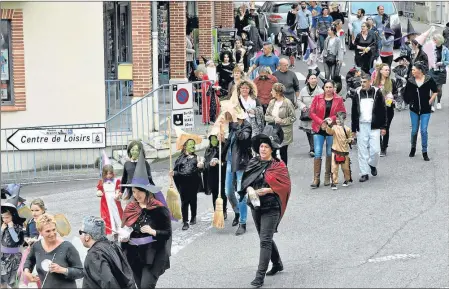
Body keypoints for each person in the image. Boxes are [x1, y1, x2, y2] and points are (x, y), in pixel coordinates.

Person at [238, 125, 291, 288]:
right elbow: (246, 182)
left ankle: (259, 277)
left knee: (265, 241)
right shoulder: (253, 162)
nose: (262, 149)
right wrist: (251, 189)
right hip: (256, 205)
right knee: (263, 237)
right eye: (261, 146)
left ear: (271, 149)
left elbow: (285, 185)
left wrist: (268, 189)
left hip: (271, 207)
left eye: (266, 146)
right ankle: (277, 263)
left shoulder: (278, 165)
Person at [120, 149, 172, 289]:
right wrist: (123, 236)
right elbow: (124, 229)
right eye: (134, 192)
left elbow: (167, 233)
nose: (136, 195)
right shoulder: (130, 207)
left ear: (146, 190)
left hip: (153, 255)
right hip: (134, 256)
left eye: (139, 191)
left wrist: (153, 231)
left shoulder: (158, 208)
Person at [23, 213, 84, 288]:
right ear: (40, 232)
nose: (52, 234)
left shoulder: (67, 247)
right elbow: (29, 260)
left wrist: (63, 270)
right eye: (48, 231)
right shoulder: (37, 246)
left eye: (54, 229)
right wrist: (26, 271)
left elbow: (80, 272)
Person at [81, 216, 136, 289]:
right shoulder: (113, 246)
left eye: (80, 232)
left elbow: (108, 282)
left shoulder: (95, 255)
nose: (80, 236)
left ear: (87, 237)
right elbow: (127, 273)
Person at [351, 73, 387, 182]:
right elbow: (353, 112)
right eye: (361, 82)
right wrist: (353, 129)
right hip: (361, 125)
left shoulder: (377, 92)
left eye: (364, 82)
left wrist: (383, 126)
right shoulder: (357, 93)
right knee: (362, 151)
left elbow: (383, 110)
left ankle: (372, 164)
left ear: (370, 82)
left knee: (375, 150)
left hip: (374, 126)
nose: (362, 84)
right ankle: (364, 173)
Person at [309, 80, 346, 188]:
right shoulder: (317, 98)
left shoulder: (338, 99)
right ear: (323, 88)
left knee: (330, 152)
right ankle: (316, 179)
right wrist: (321, 122)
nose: (328, 89)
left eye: (330, 87)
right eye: (326, 87)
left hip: (331, 128)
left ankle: (327, 176)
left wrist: (332, 118)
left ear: (334, 88)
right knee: (318, 152)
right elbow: (311, 113)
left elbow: (342, 113)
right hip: (319, 128)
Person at [222, 106, 252, 235]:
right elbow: (229, 143)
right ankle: (237, 212)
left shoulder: (247, 126)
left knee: (241, 192)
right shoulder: (232, 125)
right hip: (229, 161)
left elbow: (244, 139)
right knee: (228, 191)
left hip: (241, 163)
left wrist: (237, 127)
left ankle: (243, 222)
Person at [404, 61, 438, 161]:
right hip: (414, 110)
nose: (412, 71)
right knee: (414, 131)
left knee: (423, 130)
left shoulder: (428, 79)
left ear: (419, 70)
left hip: (425, 110)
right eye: (412, 70)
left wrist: (430, 101)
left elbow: (435, 91)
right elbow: (406, 94)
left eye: (414, 70)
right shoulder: (411, 81)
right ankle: (413, 147)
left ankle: (424, 151)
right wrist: (409, 101)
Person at [170, 131, 203, 230]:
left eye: (193, 144)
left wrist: (201, 166)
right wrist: (173, 173)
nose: (193, 146)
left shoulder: (197, 158)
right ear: (185, 147)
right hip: (183, 184)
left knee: (193, 200)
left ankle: (193, 216)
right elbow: (176, 170)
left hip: (193, 183)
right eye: (190, 144)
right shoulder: (180, 158)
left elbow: (201, 169)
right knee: (184, 202)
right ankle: (185, 221)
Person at [265, 83, 296, 165]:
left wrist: (282, 121)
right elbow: (266, 116)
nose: (271, 92)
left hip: (284, 132)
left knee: (283, 152)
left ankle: (283, 171)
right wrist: (274, 119)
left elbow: (293, 118)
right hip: (273, 131)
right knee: (272, 152)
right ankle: (273, 171)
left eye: (272, 91)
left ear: (277, 92)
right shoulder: (272, 102)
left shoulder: (287, 103)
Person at [1, 184, 25, 289]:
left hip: (13, 257)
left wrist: (11, 228)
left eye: (7, 217)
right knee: (2, 282)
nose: (5, 219)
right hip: (2, 257)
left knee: (14, 281)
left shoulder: (17, 227)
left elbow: (16, 239)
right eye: (3, 217)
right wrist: (2, 229)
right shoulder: (3, 225)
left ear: (13, 215)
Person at [322, 111, 353, 189]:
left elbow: (350, 138)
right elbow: (329, 132)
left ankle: (347, 179)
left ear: (344, 119)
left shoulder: (347, 129)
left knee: (345, 168)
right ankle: (334, 182)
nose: (338, 121)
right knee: (334, 168)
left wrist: (349, 140)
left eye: (340, 119)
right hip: (335, 151)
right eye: (337, 119)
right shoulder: (334, 127)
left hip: (345, 151)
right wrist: (328, 125)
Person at [372, 64, 397, 157]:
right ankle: (379, 145)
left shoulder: (392, 82)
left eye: (388, 70)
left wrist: (393, 98)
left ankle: (384, 148)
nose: (387, 71)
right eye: (385, 70)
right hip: (378, 109)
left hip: (389, 109)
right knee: (378, 128)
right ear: (381, 71)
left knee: (386, 128)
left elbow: (396, 93)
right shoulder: (375, 83)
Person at [203, 124, 228, 219]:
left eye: (215, 138)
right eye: (211, 139)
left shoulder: (223, 148)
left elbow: (227, 163)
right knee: (214, 193)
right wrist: (208, 164)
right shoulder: (208, 150)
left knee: (222, 193)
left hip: (222, 175)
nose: (213, 141)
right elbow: (205, 163)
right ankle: (216, 211)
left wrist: (219, 162)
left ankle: (224, 210)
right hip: (212, 176)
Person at [97, 152, 123, 239]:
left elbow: (118, 189)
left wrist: (117, 194)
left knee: (117, 214)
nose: (108, 176)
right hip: (105, 201)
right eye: (107, 174)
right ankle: (112, 231)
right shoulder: (101, 182)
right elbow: (99, 189)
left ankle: (120, 229)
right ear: (104, 174)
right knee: (108, 216)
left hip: (114, 200)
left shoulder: (116, 181)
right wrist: (99, 193)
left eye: (110, 173)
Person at [298, 74, 324, 157]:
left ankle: (314, 148)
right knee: (309, 132)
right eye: (311, 78)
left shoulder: (320, 91)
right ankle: (312, 148)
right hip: (306, 114)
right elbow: (299, 100)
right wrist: (303, 107)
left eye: (315, 78)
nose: (313, 80)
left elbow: (323, 102)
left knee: (316, 132)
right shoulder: (303, 90)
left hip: (316, 115)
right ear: (308, 80)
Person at [429, 33, 449, 110]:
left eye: (435, 39)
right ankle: (432, 105)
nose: (433, 41)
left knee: (439, 89)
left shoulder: (445, 50)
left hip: (441, 71)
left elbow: (448, 61)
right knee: (433, 88)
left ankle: (439, 102)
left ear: (439, 41)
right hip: (433, 71)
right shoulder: (431, 48)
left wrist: (442, 63)